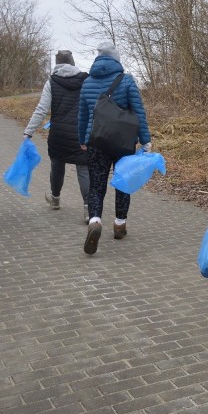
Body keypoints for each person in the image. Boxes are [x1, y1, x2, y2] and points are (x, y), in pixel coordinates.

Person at [78, 41, 151, 255]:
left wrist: (82, 139)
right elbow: (139, 112)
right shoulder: (126, 81)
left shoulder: (88, 82)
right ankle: (119, 224)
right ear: (116, 59)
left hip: (95, 141)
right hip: (123, 141)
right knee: (122, 182)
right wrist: (145, 139)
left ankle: (94, 220)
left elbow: (82, 115)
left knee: (96, 184)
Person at [24, 50, 90, 222]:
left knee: (57, 166)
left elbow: (41, 109)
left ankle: (55, 199)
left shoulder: (51, 82)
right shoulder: (85, 80)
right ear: (73, 62)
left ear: (57, 63)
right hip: (81, 133)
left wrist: (29, 131)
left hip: (59, 133)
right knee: (83, 169)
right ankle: (89, 209)